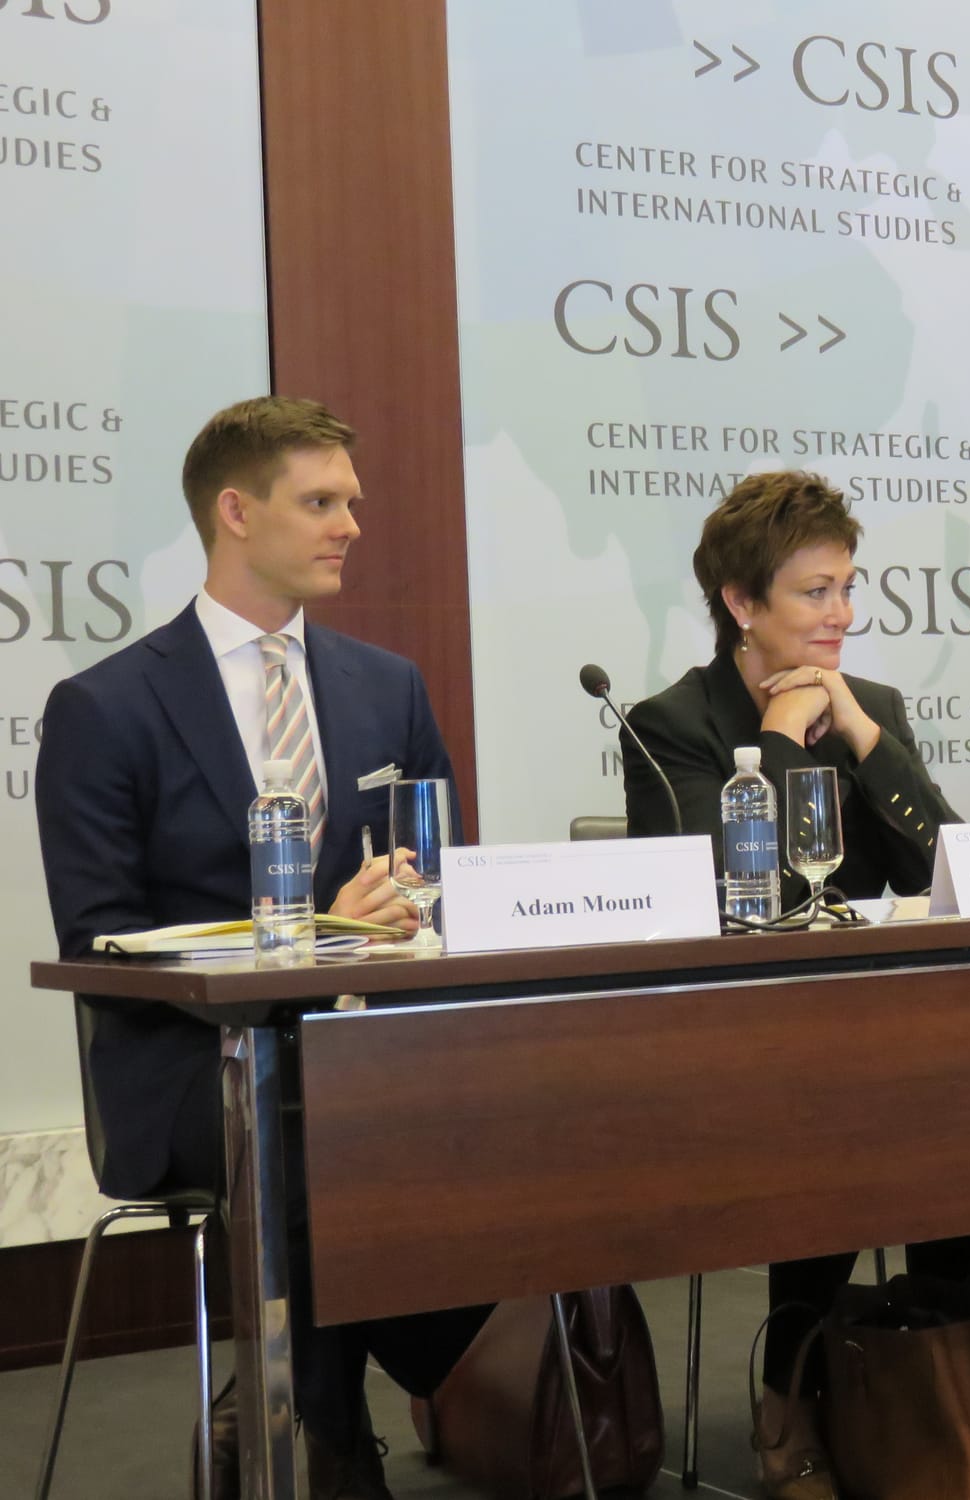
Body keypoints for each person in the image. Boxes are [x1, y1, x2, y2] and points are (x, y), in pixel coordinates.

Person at [35, 397, 491, 1500]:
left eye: (353, 503)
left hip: (370, 1044)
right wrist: (322, 926)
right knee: (312, 1121)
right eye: (321, 502)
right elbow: (103, 938)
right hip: (192, 1065)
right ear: (235, 512)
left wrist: (412, 902)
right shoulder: (108, 707)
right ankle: (334, 1442)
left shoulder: (388, 686)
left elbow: (449, 877)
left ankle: (313, 1402)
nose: (350, 527)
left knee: (527, 1098)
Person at [623, 470, 970, 1500]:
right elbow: (728, 892)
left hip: (875, 1026)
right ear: (742, 605)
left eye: (845, 587)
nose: (842, 614)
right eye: (814, 593)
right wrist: (778, 742)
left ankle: (928, 1388)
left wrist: (864, 741)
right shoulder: (669, 725)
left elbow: (942, 869)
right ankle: (789, 1399)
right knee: (827, 1122)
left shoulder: (871, 706)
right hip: (739, 1039)